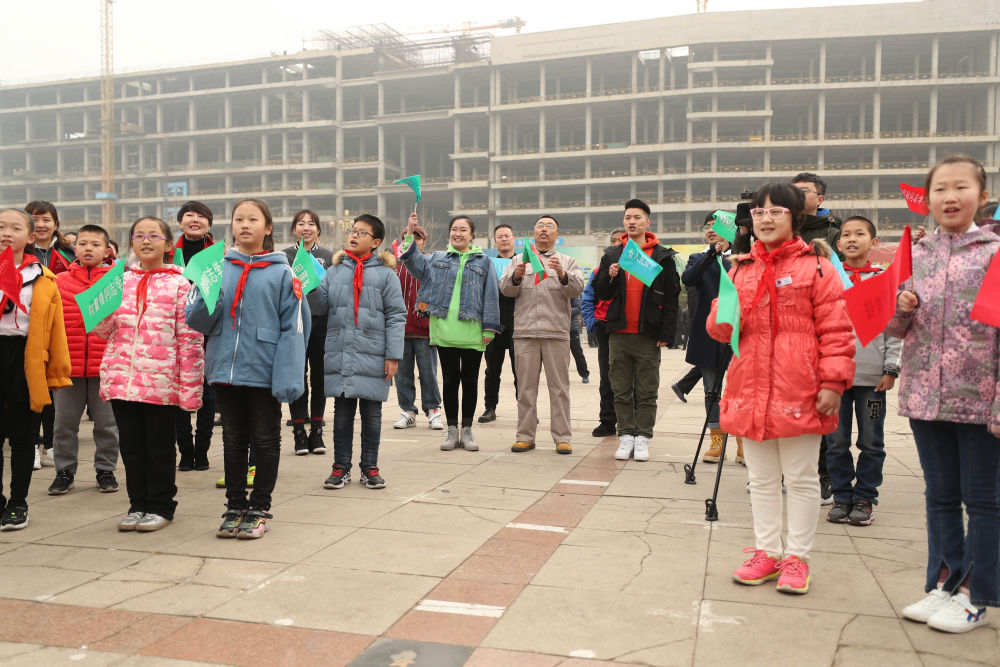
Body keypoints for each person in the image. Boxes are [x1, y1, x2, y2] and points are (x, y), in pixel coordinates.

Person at [707, 182, 855, 595]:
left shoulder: (817, 267)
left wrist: (832, 381)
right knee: (761, 478)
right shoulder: (740, 267)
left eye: (776, 211)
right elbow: (721, 331)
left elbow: (837, 330)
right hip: (750, 386)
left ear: (796, 218)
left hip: (799, 388)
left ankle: (797, 559)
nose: (766, 218)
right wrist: (725, 298)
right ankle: (766, 552)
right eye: (758, 212)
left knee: (802, 478)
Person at [890, 155, 1000, 633]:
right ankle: (943, 584)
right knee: (939, 496)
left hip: (981, 397)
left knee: (983, 501)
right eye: (939, 189)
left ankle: (977, 595)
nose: (949, 197)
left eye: (961, 188)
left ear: (982, 196)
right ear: (928, 199)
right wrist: (901, 306)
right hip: (925, 395)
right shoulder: (916, 253)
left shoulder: (996, 252)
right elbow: (892, 327)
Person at [186, 199, 308, 540]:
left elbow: (294, 328)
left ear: (267, 228)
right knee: (233, 439)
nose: (245, 225)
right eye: (239, 219)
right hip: (226, 367)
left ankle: (260, 507)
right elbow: (196, 321)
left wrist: (287, 376)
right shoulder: (217, 268)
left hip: (265, 370)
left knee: (266, 440)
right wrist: (208, 300)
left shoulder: (284, 272)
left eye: (253, 219)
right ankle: (234, 506)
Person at [97, 216, 204, 533]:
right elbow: (104, 331)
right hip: (122, 379)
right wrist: (102, 309)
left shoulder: (181, 285)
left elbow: (190, 340)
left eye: (153, 235)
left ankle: (161, 506)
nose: (145, 240)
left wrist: (190, 390)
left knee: (159, 447)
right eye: (138, 235)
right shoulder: (119, 281)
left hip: (161, 382)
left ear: (168, 244)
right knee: (131, 448)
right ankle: (137, 504)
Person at [315, 214, 405, 490]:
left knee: (372, 415)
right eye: (352, 231)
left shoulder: (386, 275)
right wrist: (307, 286)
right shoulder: (333, 272)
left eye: (361, 233)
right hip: (341, 352)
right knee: (341, 414)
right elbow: (320, 307)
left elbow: (396, 316)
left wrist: (393, 355)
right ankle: (340, 467)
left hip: (374, 354)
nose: (353, 235)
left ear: (376, 242)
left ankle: (370, 466)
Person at [400, 213, 500, 452]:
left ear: (472, 235)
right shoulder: (436, 258)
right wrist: (408, 235)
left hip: (473, 330)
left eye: (463, 229)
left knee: (470, 381)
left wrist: (490, 328)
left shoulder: (483, 260)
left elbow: (491, 295)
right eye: (455, 229)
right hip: (444, 328)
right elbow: (413, 265)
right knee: (450, 380)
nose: (458, 233)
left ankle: (467, 430)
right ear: (450, 233)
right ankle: (452, 430)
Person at [825, 215, 901, 526]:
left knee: (871, 440)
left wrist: (891, 368)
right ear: (838, 243)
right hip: (834, 377)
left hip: (872, 379)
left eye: (860, 234)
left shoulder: (883, 281)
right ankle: (841, 496)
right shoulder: (828, 279)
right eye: (845, 234)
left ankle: (866, 496)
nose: (852, 239)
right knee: (836, 441)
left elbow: (893, 328)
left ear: (874, 243)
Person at [0, 209, 71, 530]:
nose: (6, 233)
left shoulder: (42, 277)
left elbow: (56, 330)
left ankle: (18, 502)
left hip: (26, 360)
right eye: (1, 227)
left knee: (23, 437)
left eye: (15, 228)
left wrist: (57, 371)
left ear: (30, 237)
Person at [596, 200, 680, 462]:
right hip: (619, 332)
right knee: (619, 388)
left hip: (648, 333)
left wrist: (667, 334)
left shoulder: (661, 256)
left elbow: (670, 298)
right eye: (627, 217)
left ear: (647, 222)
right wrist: (608, 275)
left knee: (646, 389)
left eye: (637, 217)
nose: (631, 221)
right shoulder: (613, 254)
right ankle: (626, 436)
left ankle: (643, 436)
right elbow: (600, 292)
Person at [500, 215, 585, 454]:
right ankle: (525, 436)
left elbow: (576, 289)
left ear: (557, 235)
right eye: (540, 226)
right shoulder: (519, 258)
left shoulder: (566, 261)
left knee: (559, 388)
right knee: (526, 389)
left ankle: (562, 437)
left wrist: (563, 275)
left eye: (550, 227)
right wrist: (516, 275)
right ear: (533, 233)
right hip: (525, 332)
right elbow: (505, 289)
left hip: (556, 332)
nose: (544, 229)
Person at [49, 224, 120, 496]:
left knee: (107, 425)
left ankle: (105, 470)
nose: (88, 248)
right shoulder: (59, 281)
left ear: (107, 250)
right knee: (64, 424)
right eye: (83, 243)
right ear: (74, 247)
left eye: (95, 244)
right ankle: (64, 471)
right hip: (69, 367)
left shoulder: (116, 281)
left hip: (106, 367)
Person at [792, 172, 844, 504]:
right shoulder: (780, 229)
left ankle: (824, 474)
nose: (796, 196)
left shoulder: (835, 234)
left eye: (804, 192)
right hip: (787, 330)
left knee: (820, 408)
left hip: (820, 328)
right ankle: (789, 470)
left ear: (820, 198)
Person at [683, 213, 742, 465]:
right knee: (711, 390)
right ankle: (716, 438)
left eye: (715, 226)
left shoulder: (743, 258)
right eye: (706, 226)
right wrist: (711, 254)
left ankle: (742, 441)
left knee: (740, 389)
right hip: (708, 333)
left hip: (740, 331)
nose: (710, 230)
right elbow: (689, 279)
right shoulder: (699, 258)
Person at [25, 201, 74, 469]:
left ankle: (53, 444)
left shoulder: (68, 254)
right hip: (28, 329)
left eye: (46, 219)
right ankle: (31, 444)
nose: (41, 224)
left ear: (56, 223)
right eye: (35, 219)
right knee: (31, 389)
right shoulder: (18, 253)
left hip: (60, 329)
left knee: (56, 388)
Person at [283, 208, 334, 454]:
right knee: (297, 376)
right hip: (294, 323)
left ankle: (317, 432)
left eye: (311, 223)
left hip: (321, 322)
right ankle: (299, 433)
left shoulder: (328, 256)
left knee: (320, 378)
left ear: (318, 230)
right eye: (301, 223)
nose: (306, 227)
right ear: (294, 229)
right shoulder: (284, 256)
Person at [172, 201, 217, 471]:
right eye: (189, 215)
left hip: (209, 330)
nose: (195, 219)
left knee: (208, 394)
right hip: (176, 330)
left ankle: (202, 451)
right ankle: (185, 451)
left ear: (209, 224)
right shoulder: (168, 253)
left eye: (202, 216)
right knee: (179, 392)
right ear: (180, 222)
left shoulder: (219, 256)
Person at [392, 224, 443, 430]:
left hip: (425, 329)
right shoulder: (395, 264)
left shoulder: (432, 263)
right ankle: (408, 411)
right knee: (402, 374)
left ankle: (433, 410)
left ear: (424, 242)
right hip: (400, 329)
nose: (413, 241)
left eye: (417, 238)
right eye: (407, 238)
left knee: (428, 373)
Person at [581, 229, 624, 437]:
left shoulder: (639, 270)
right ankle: (607, 421)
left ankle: (629, 423)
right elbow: (588, 297)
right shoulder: (600, 271)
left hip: (628, 329)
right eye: (613, 242)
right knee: (607, 379)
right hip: (605, 328)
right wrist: (592, 323)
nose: (616, 245)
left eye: (621, 241)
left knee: (629, 379)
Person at [479, 224, 518, 423]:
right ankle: (490, 408)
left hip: (518, 323)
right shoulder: (488, 264)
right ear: (495, 241)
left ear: (514, 239)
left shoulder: (523, 262)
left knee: (521, 371)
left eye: (507, 236)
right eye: (500, 236)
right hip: (494, 323)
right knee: (492, 370)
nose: (504, 239)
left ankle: (525, 409)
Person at [568, 296, 590, 382]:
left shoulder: (573, 292)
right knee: (559, 356)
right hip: (558, 328)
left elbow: (578, 308)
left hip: (571, 328)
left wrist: (564, 311)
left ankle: (584, 374)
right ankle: (560, 377)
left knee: (577, 352)